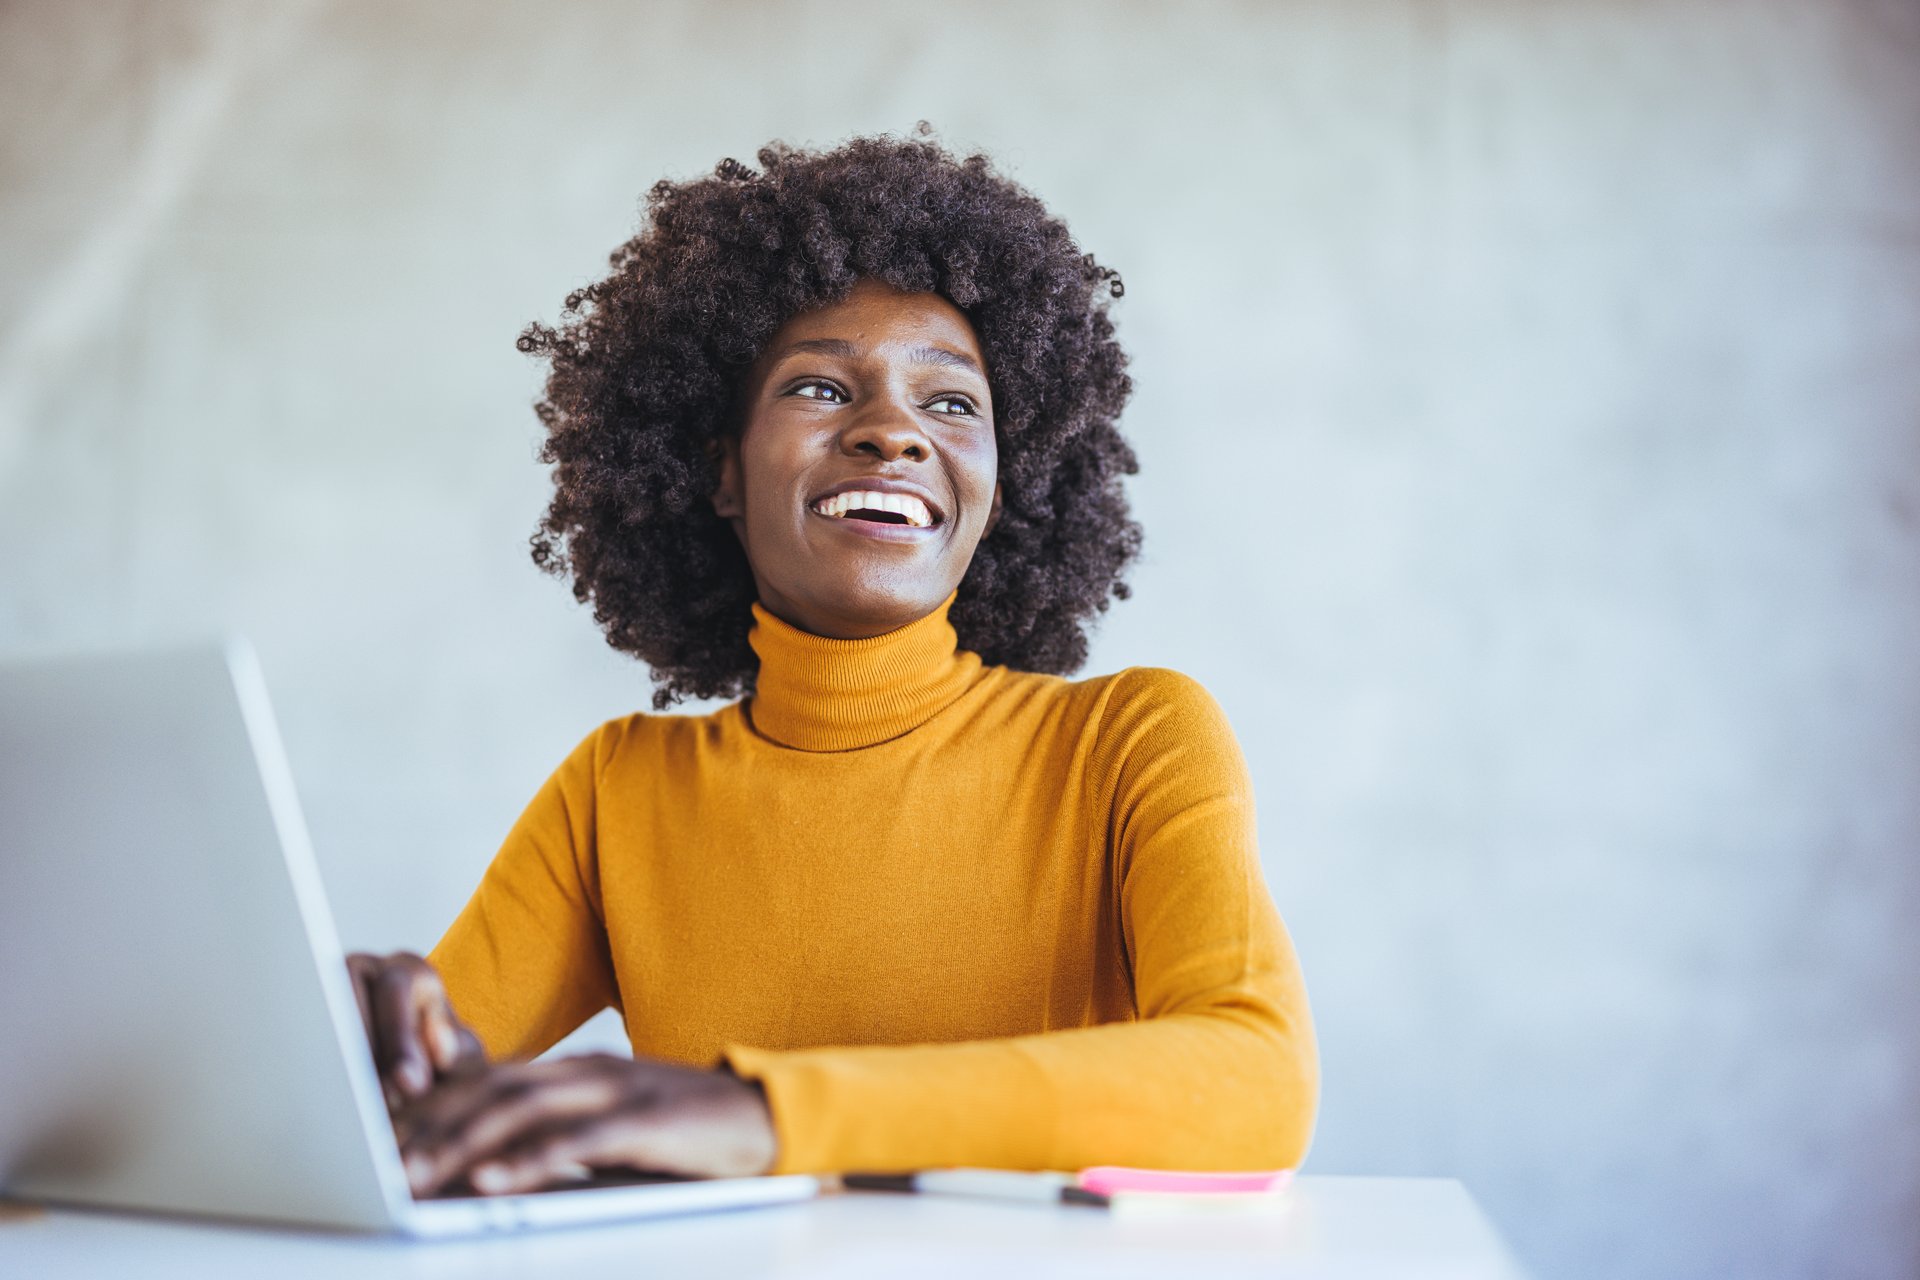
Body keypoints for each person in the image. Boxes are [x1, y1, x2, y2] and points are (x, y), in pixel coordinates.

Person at [348, 129, 1319, 1198]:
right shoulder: (620, 791)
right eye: (819, 387)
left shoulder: (1129, 740)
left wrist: (769, 1111)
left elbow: (1258, 1077)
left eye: (952, 403)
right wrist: (356, 1040)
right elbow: (382, 1122)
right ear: (719, 474)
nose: (893, 432)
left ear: (1005, 485)